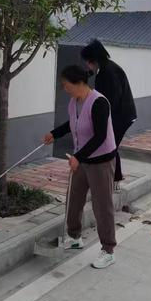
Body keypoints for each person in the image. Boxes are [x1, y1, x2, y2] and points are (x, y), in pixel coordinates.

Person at [44, 65, 116, 269]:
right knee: (73, 199)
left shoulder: (99, 102)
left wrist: (78, 156)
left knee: (102, 206)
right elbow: (73, 123)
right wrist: (54, 133)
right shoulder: (74, 101)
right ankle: (75, 237)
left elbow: (100, 136)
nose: (65, 89)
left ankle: (108, 250)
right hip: (82, 159)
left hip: (101, 161)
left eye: (66, 85)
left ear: (78, 83)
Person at [81, 39, 136, 187]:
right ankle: (115, 179)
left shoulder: (107, 73)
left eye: (87, 61)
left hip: (121, 116)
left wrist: (101, 120)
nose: (86, 64)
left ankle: (114, 181)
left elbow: (109, 100)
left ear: (93, 60)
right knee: (111, 145)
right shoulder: (107, 68)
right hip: (123, 114)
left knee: (111, 146)